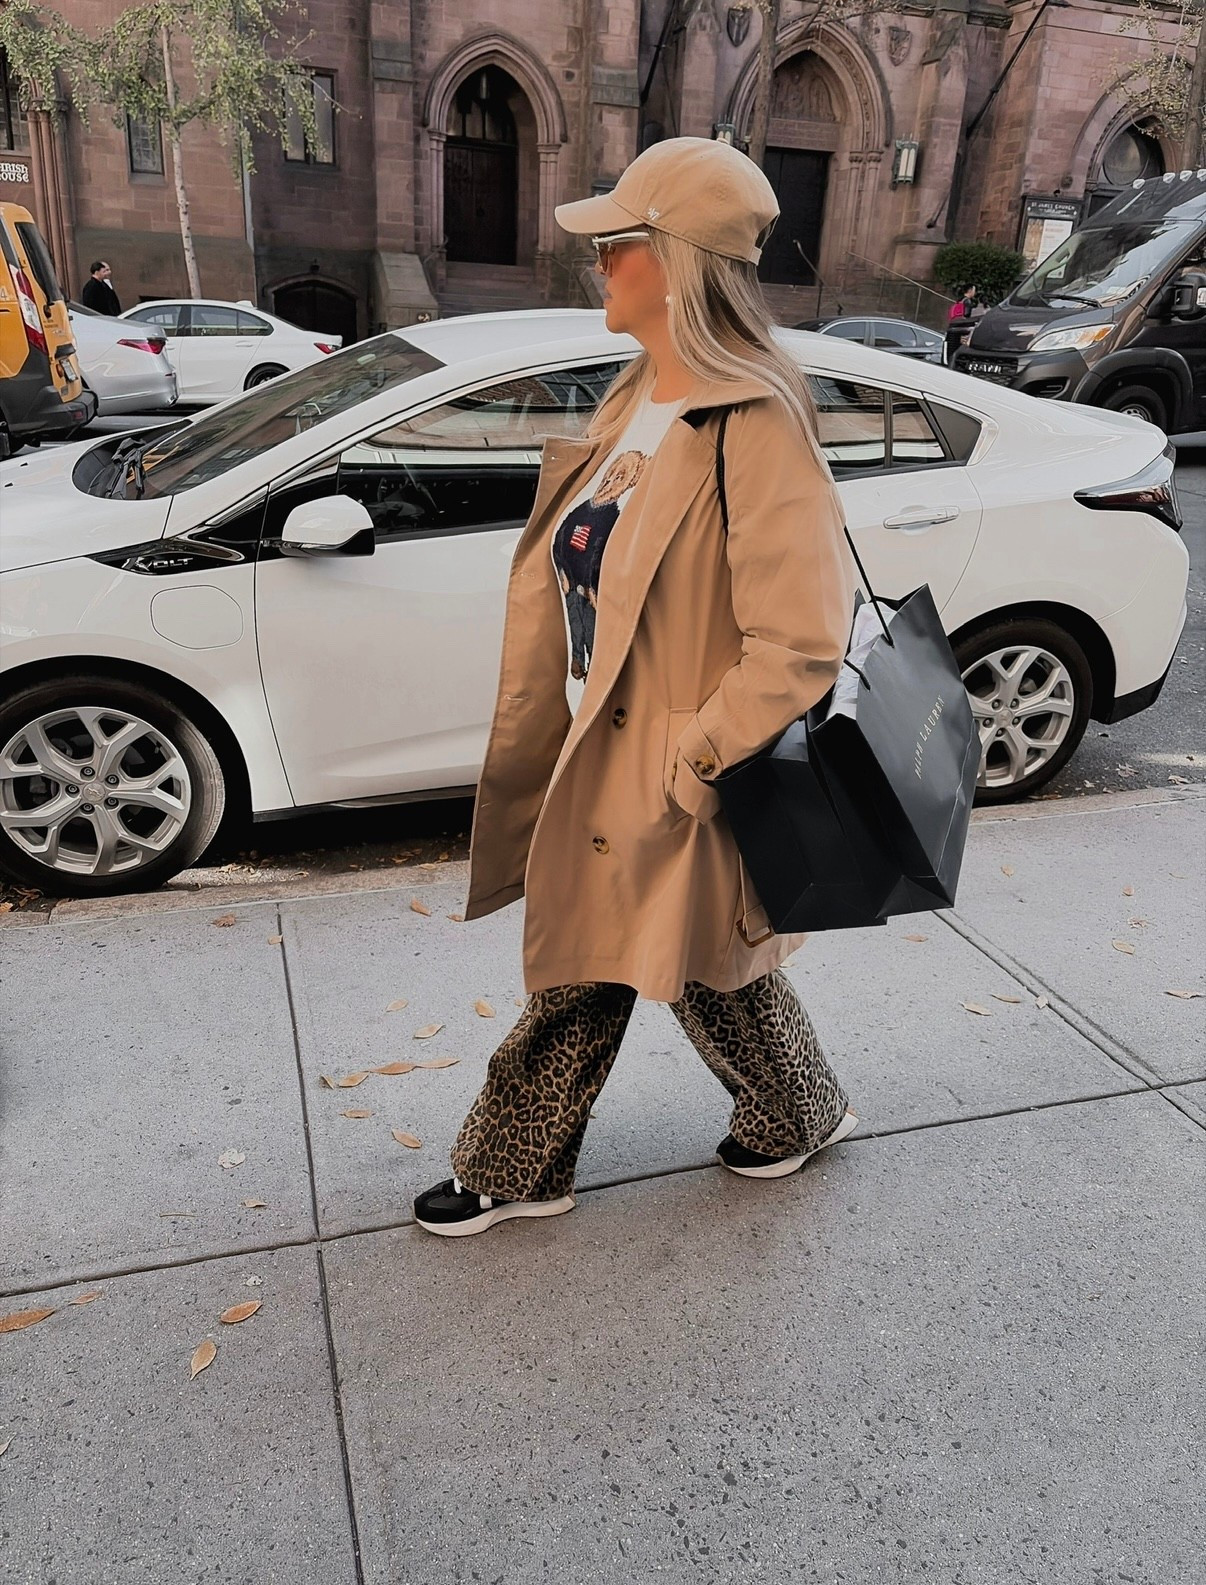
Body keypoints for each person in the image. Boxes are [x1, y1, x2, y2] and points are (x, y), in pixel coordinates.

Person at [414, 136, 860, 1239]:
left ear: (674, 259)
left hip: (675, 756)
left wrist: (695, 756)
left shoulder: (754, 424)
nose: (596, 263)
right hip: (604, 737)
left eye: (615, 244)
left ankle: (515, 1162)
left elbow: (801, 640)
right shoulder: (637, 398)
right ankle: (800, 1107)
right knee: (709, 959)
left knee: (588, 961)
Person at [944, 283, 977, 362]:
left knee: (950, 352)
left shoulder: (959, 300)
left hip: (952, 327)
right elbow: (966, 315)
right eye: (974, 290)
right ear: (970, 291)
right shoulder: (967, 301)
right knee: (957, 351)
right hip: (960, 329)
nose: (974, 293)